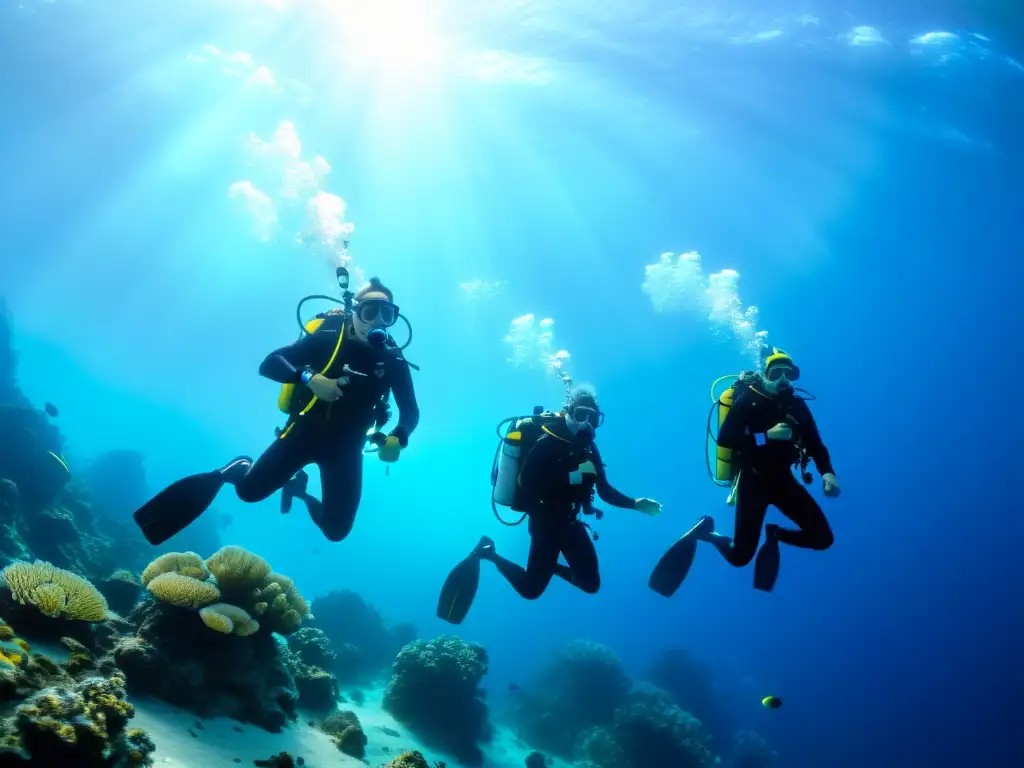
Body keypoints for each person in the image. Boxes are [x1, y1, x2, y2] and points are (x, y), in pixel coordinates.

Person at [133, 276, 419, 545]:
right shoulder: (328, 335)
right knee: (248, 493)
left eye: (387, 314)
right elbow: (270, 363)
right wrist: (310, 377)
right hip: (303, 434)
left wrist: (400, 436)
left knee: (336, 531)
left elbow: (410, 411)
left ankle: (300, 491)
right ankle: (237, 468)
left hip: (346, 449)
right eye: (370, 311)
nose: (378, 321)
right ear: (354, 311)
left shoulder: (393, 358)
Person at [437, 386, 662, 624]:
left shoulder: (588, 449)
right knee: (530, 590)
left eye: (592, 418)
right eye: (580, 415)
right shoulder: (547, 441)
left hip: (571, 523)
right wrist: (572, 476)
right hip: (545, 524)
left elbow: (604, 490)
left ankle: (549, 566)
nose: (586, 423)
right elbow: (526, 481)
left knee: (590, 584)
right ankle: (489, 553)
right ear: (568, 413)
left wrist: (635, 504)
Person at [648, 347, 840, 595]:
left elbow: (815, 444)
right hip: (753, 481)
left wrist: (827, 473)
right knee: (739, 558)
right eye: (775, 373)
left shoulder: (797, 406)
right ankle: (707, 533)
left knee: (823, 539)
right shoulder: (748, 399)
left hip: (783, 482)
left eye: (788, 374)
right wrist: (767, 436)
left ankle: (776, 534)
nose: (782, 379)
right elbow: (726, 440)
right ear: (764, 374)